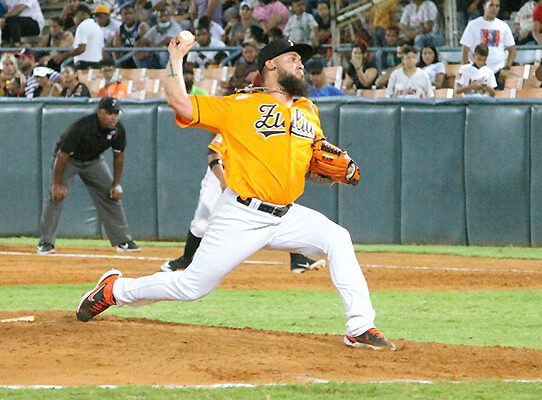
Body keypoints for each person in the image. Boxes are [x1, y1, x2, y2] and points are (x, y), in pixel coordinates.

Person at [76, 39, 396, 352]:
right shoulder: (240, 106)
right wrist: (175, 57)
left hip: (287, 215)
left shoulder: (308, 110)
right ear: (271, 65)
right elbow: (181, 103)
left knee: (338, 238)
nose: (301, 64)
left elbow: (309, 167)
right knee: (191, 286)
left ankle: (360, 327)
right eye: (293, 58)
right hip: (242, 215)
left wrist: (334, 173)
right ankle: (115, 289)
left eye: (301, 60)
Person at [160, 134, 326, 273]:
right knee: (202, 224)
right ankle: (186, 260)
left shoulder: (268, 133)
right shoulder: (237, 124)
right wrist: (222, 181)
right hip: (219, 175)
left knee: (276, 210)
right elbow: (213, 153)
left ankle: (298, 259)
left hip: (247, 178)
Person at [37, 97, 140, 255]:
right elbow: (62, 156)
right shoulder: (82, 127)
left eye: (116, 113)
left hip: (93, 161)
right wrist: (56, 185)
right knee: (56, 196)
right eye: (109, 113)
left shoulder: (118, 130)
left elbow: (119, 157)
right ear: (100, 112)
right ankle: (46, 242)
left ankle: (123, 241)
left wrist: (116, 184)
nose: (113, 117)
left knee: (111, 195)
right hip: (69, 160)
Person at [460, 0, 516, 89]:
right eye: (491, 5)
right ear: (484, 6)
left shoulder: (503, 26)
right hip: (476, 72)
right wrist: (466, 70)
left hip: (497, 72)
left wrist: (507, 67)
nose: (494, 8)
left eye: (497, 6)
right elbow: (465, 49)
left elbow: (512, 49)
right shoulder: (473, 25)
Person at [52, 3, 104, 70]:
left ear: (81, 13)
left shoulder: (82, 26)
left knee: (65, 68)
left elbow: (81, 49)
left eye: (74, 15)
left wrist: (63, 56)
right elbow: (102, 49)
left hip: (84, 65)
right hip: (97, 64)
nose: (73, 19)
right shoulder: (97, 27)